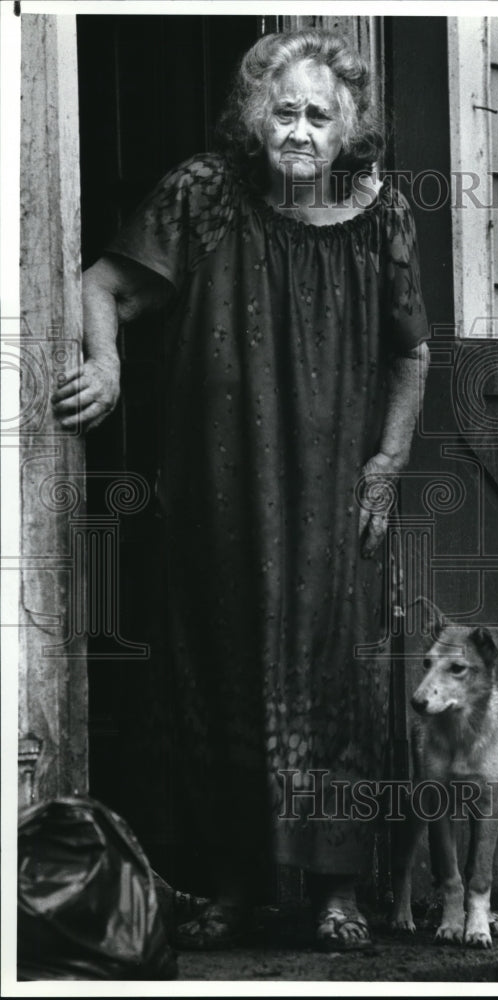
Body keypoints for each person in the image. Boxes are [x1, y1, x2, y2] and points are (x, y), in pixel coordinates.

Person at [51, 28, 430, 951]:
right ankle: (233, 887)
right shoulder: (205, 195)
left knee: (332, 680)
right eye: (283, 111)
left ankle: (336, 892)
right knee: (221, 672)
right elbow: (103, 283)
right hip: (218, 491)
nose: (298, 130)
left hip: (333, 499)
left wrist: (385, 468)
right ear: (254, 118)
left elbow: (411, 349)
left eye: (318, 115)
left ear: (349, 130)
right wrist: (105, 363)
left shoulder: (382, 218)